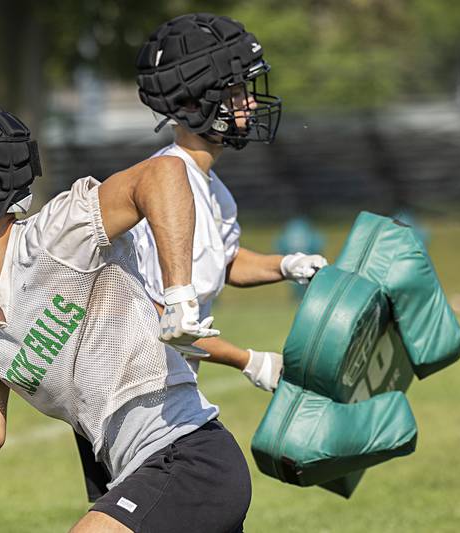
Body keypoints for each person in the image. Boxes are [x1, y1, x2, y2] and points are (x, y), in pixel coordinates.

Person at [0, 99, 251, 532]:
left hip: (190, 457)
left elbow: (162, 175)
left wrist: (179, 293)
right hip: (129, 472)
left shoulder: (57, 236)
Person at [71, 13, 329, 502]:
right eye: (236, 91)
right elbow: (155, 319)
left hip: (166, 393)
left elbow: (224, 262)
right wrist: (248, 360)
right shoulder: (159, 188)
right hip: (131, 402)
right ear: (193, 103)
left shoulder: (211, 186)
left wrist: (287, 267)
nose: (251, 102)